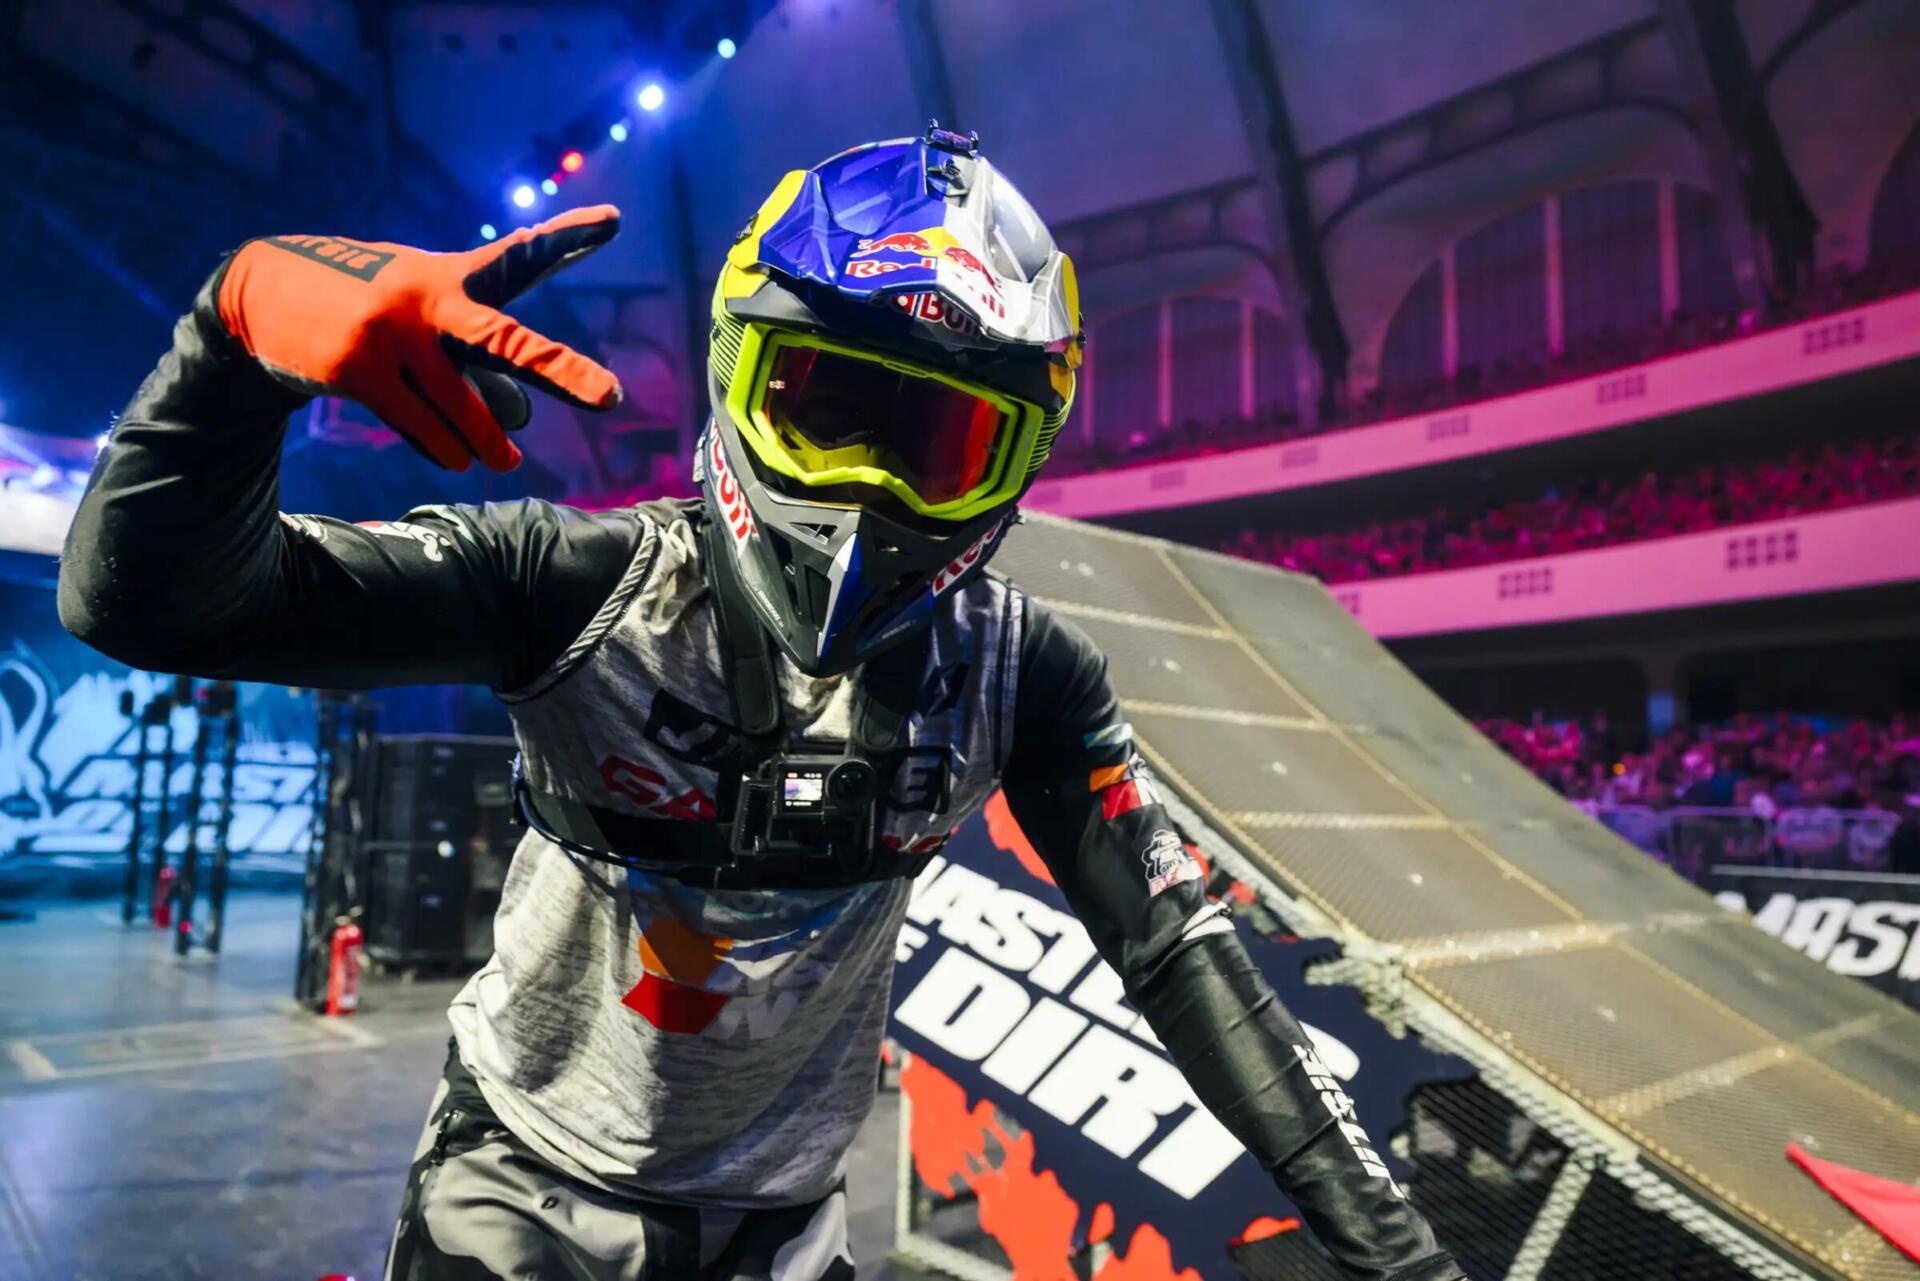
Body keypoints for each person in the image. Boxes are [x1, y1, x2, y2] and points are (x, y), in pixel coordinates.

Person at [58, 128, 1463, 1281]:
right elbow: (148, 603)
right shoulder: (579, 582)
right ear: (739, 379)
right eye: (827, 409)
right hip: (529, 1186)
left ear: (1014, 468)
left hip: (778, 1222)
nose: (867, 496)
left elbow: (1180, 952)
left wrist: (1403, 1258)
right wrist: (233, 338)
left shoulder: (1025, 671)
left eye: (939, 443)